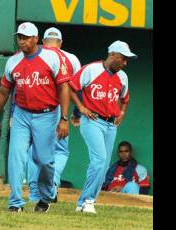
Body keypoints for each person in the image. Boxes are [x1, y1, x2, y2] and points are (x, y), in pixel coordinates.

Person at [0, 22, 70, 213]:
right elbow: (2, 91)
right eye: (19, 37)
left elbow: (64, 87)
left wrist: (64, 118)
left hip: (47, 115)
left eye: (26, 37)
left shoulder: (51, 58)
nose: (21, 41)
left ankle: (46, 195)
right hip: (22, 114)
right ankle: (15, 203)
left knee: (44, 160)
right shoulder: (13, 61)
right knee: (16, 157)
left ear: (35, 39)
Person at [69, 40, 137, 214]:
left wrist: (122, 113)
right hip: (92, 120)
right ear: (113, 54)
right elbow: (71, 87)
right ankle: (88, 201)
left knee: (104, 165)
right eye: (123, 58)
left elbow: (125, 99)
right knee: (99, 160)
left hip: (110, 124)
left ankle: (82, 203)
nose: (125, 63)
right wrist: (81, 108)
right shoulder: (91, 69)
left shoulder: (123, 77)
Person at [26, 27, 81, 202]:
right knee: (60, 151)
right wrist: (76, 113)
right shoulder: (71, 58)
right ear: (61, 42)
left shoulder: (36, 54)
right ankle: (52, 183)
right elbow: (77, 90)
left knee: (34, 150)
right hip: (59, 110)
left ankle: (35, 191)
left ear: (42, 41)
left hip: (36, 109)